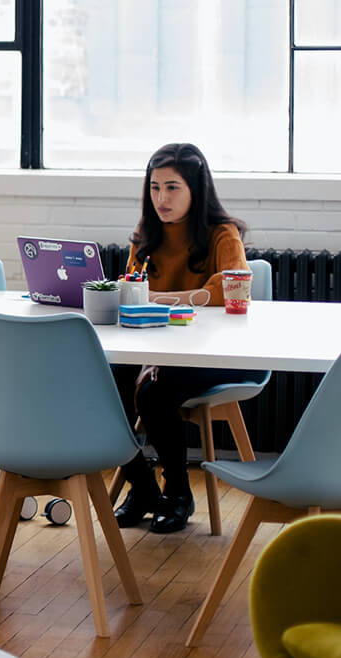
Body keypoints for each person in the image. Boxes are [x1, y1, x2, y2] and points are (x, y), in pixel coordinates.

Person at [112, 143, 264, 534]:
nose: (161, 198)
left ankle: (178, 493)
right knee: (101, 387)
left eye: (173, 187)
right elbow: (133, 289)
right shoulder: (145, 236)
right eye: (155, 187)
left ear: (196, 189)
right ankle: (143, 486)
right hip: (154, 348)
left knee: (153, 394)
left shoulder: (221, 234)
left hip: (213, 353)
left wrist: (162, 299)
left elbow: (232, 288)